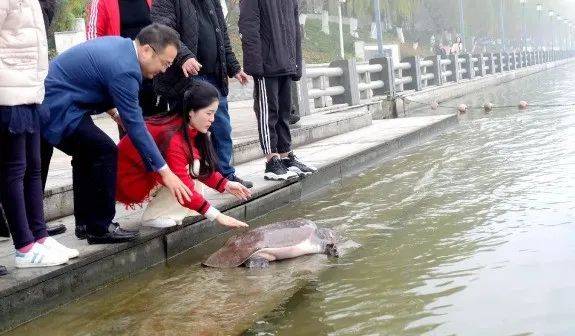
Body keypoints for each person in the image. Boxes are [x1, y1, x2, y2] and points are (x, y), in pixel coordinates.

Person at [40, 23, 193, 244]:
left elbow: (93, 79)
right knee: (104, 151)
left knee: (89, 151)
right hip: (57, 104)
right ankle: (100, 227)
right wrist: (165, 172)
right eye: (165, 63)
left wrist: (113, 112)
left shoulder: (122, 49)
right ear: (147, 50)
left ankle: (86, 223)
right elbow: (136, 127)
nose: (164, 70)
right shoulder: (126, 69)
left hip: (61, 100)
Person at [0, 0, 78, 268]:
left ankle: (39, 236)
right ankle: (23, 246)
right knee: (14, 170)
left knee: (34, 167)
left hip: (32, 90)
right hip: (8, 91)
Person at [117, 81, 250, 228]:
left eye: (214, 113)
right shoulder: (173, 138)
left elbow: (201, 171)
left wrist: (226, 184)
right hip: (127, 180)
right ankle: (155, 215)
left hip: (145, 173)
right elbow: (182, 183)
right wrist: (217, 216)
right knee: (190, 167)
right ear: (191, 112)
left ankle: (183, 209)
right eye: (208, 113)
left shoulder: (188, 127)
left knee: (194, 165)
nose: (212, 119)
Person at [150, 0, 254, 189]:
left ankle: (226, 176)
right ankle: (185, 179)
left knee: (222, 128)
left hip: (214, 76)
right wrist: (184, 56)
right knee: (185, 132)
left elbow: (222, 35)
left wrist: (234, 67)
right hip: (185, 78)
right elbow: (163, 32)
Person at [239, 0, 316, 181]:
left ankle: (285, 155)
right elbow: (248, 26)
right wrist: (255, 65)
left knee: (284, 113)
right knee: (269, 113)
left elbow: (295, 30)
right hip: (267, 65)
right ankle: (271, 160)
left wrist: (296, 64)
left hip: (286, 63)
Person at [86, 0, 160, 136]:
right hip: (124, 77)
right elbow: (93, 40)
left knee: (158, 130)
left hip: (153, 76)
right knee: (130, 133)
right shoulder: (101, 2)